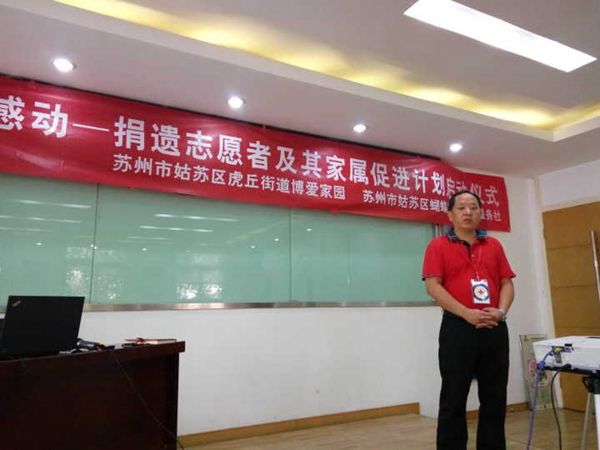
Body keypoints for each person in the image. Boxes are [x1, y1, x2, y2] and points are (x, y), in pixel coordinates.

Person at [422, 190, 515, 450]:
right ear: (450, 215)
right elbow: (433, 286)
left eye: (473, 207)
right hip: (458, 328)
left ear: (480, 213)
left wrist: (501, 311)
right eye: (461, 208)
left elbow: (506, 283)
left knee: (495, 397)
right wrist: (466, 313)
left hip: (494, 327)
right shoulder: (438, 245)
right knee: (453, 397)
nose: (468, 212)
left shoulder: (494, 245)